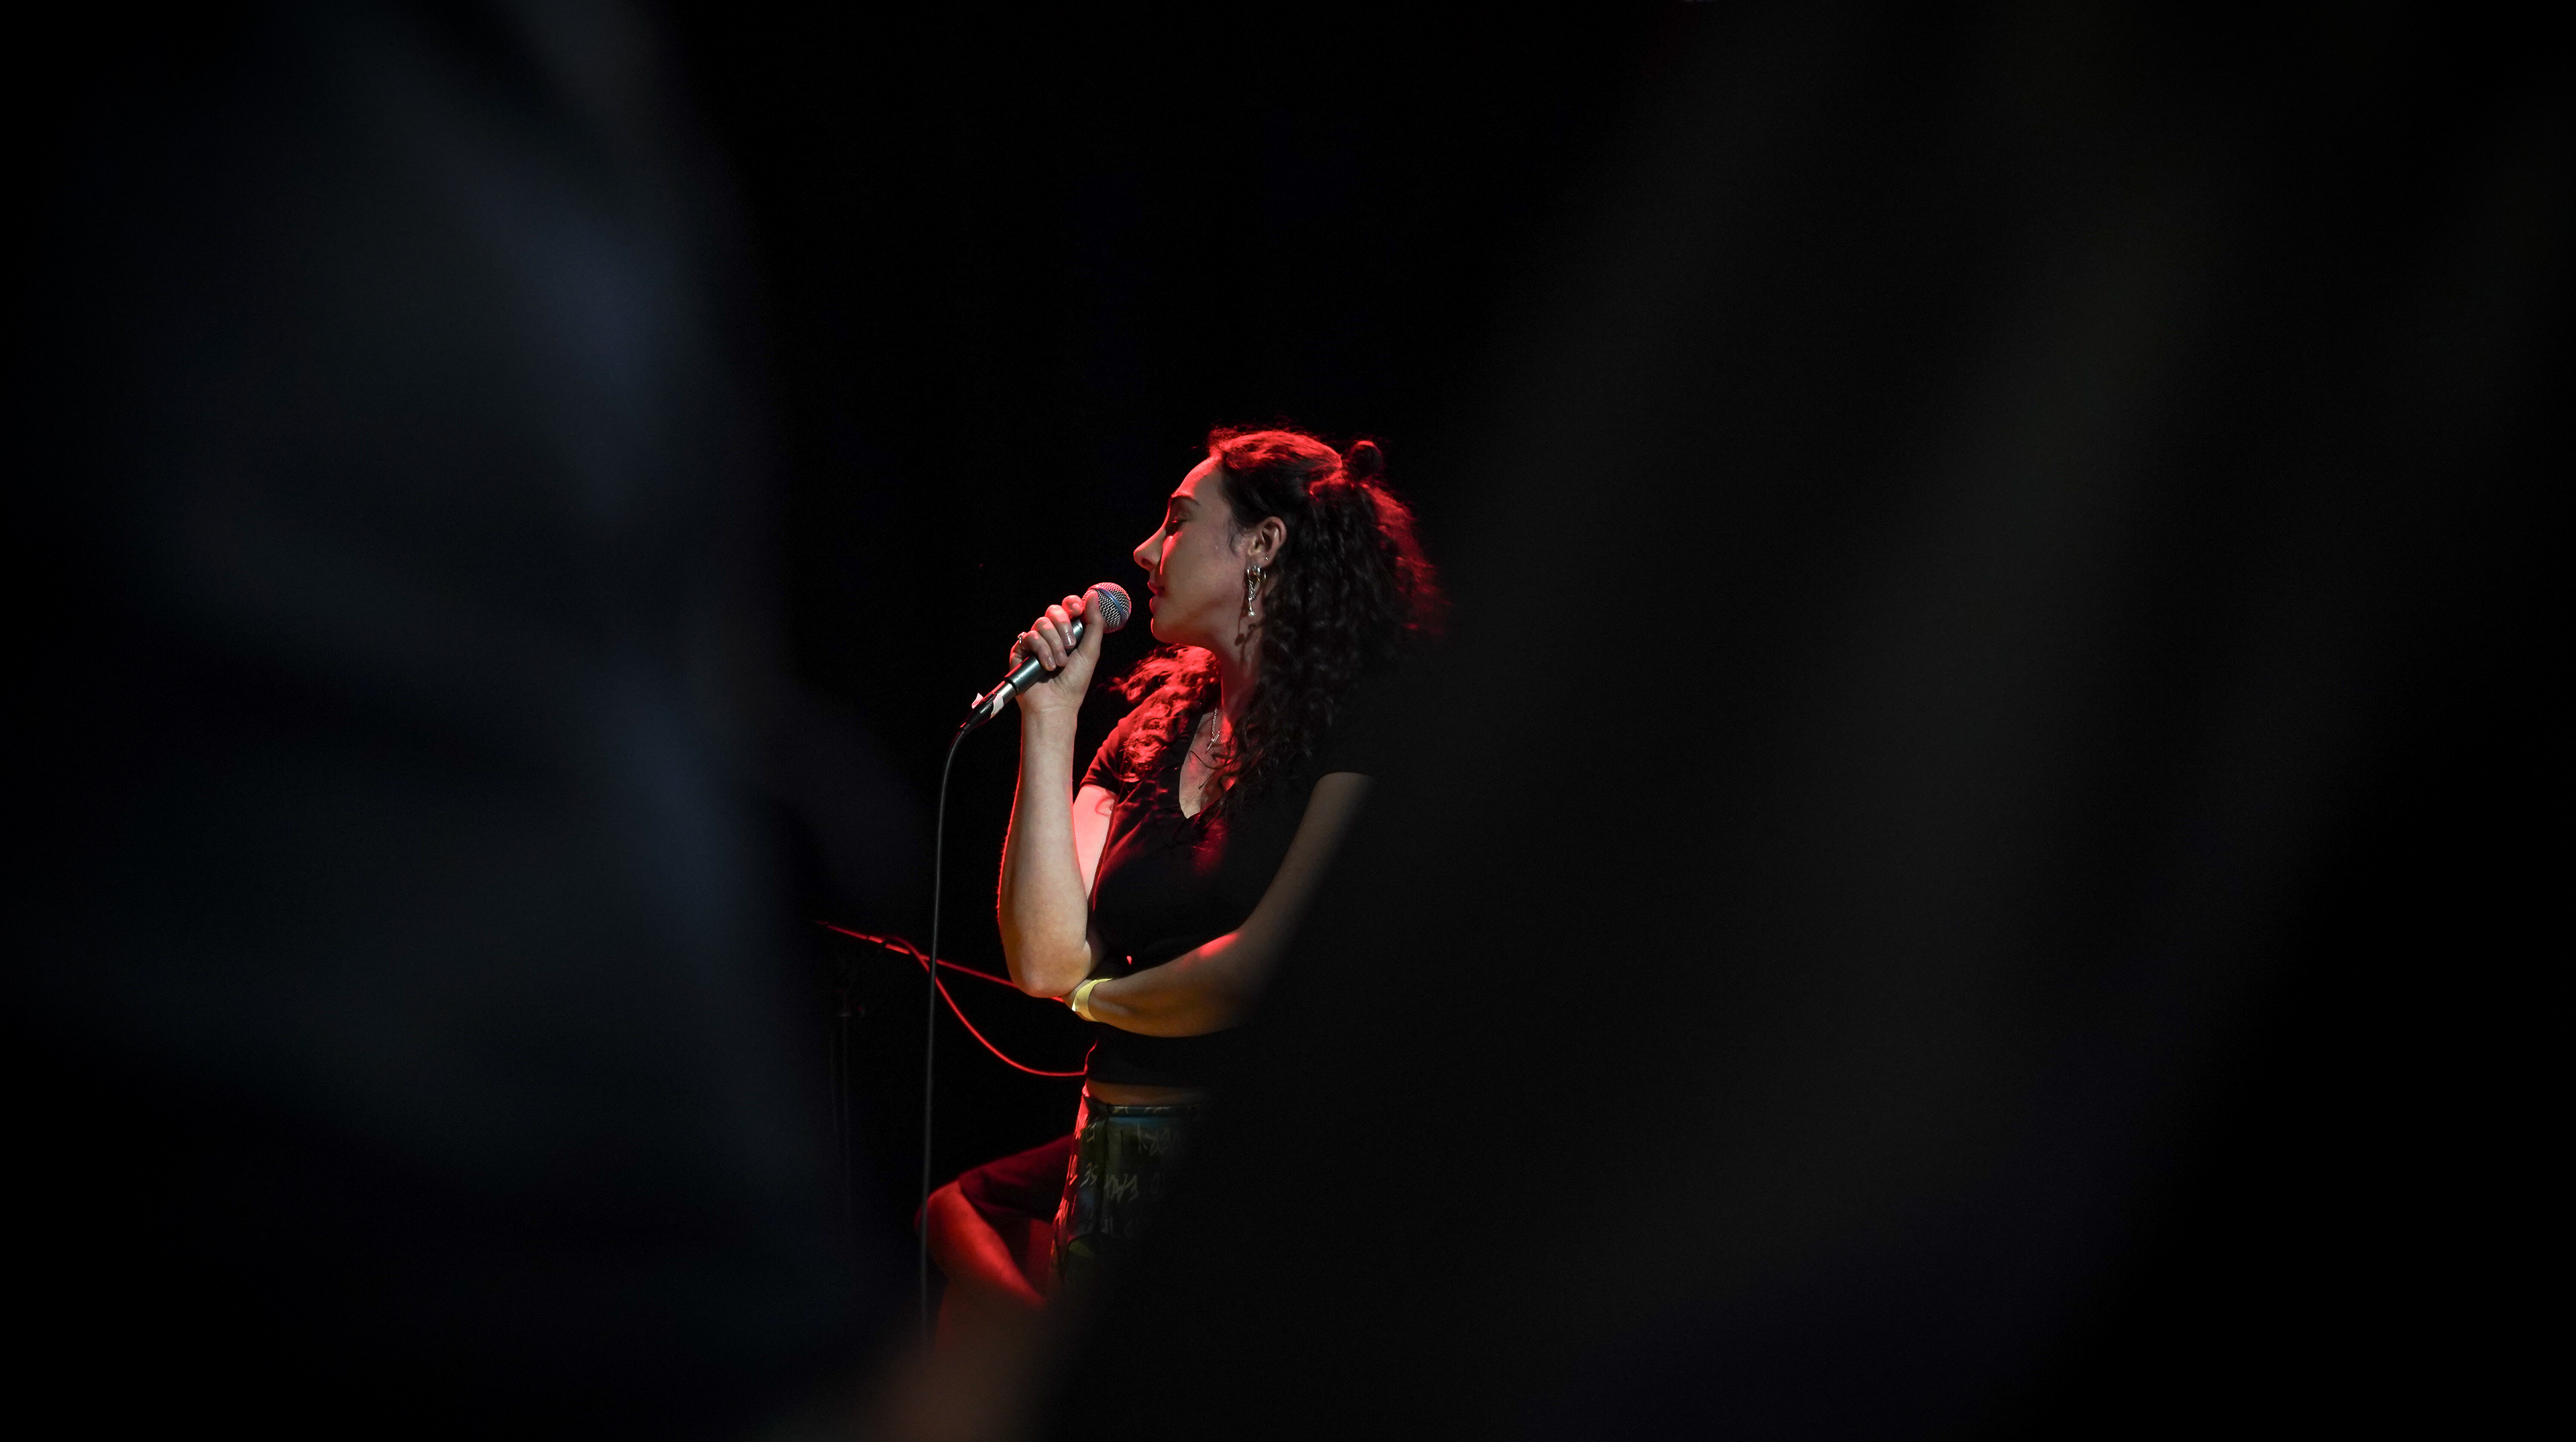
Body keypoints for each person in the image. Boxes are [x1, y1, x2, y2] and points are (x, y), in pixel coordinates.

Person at [991, 427, 1441, 1288]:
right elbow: (1042, 956)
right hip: (1112, 1163)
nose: (1144, 550)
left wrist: (1093, 997)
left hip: (1265, 1170)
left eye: (1177, 521)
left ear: (1262, 543)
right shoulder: (1148, 735)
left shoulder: (1361, 725)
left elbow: (1259, 968)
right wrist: (1048, 722)